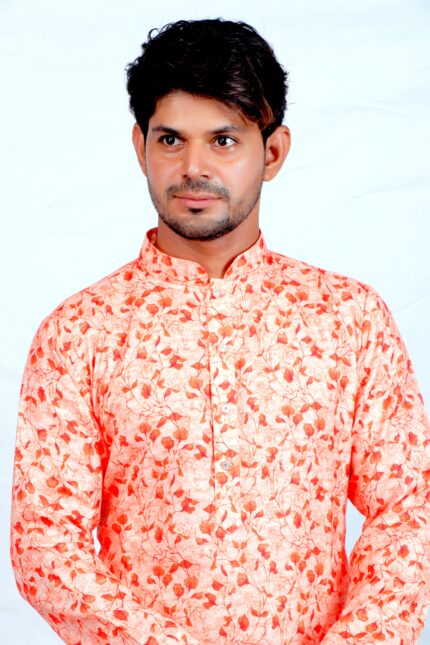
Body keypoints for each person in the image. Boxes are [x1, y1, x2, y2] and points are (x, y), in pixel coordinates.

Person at [9, 18, 430, 645]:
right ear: (140, 147)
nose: (194, 168)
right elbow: (45, 543)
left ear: (273, 152)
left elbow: (409, 508)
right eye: (171, 140)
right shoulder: (79, 333)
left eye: (225, 140)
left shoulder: (349, 319)